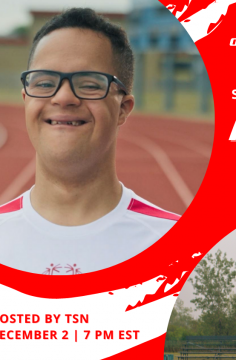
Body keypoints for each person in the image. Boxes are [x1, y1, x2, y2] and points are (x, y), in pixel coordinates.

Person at [0, 8, 179, 275]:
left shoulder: (176, 245)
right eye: (45, 82)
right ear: (27, 101)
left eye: (89, 84)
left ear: (123, 109)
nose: (63, 98)